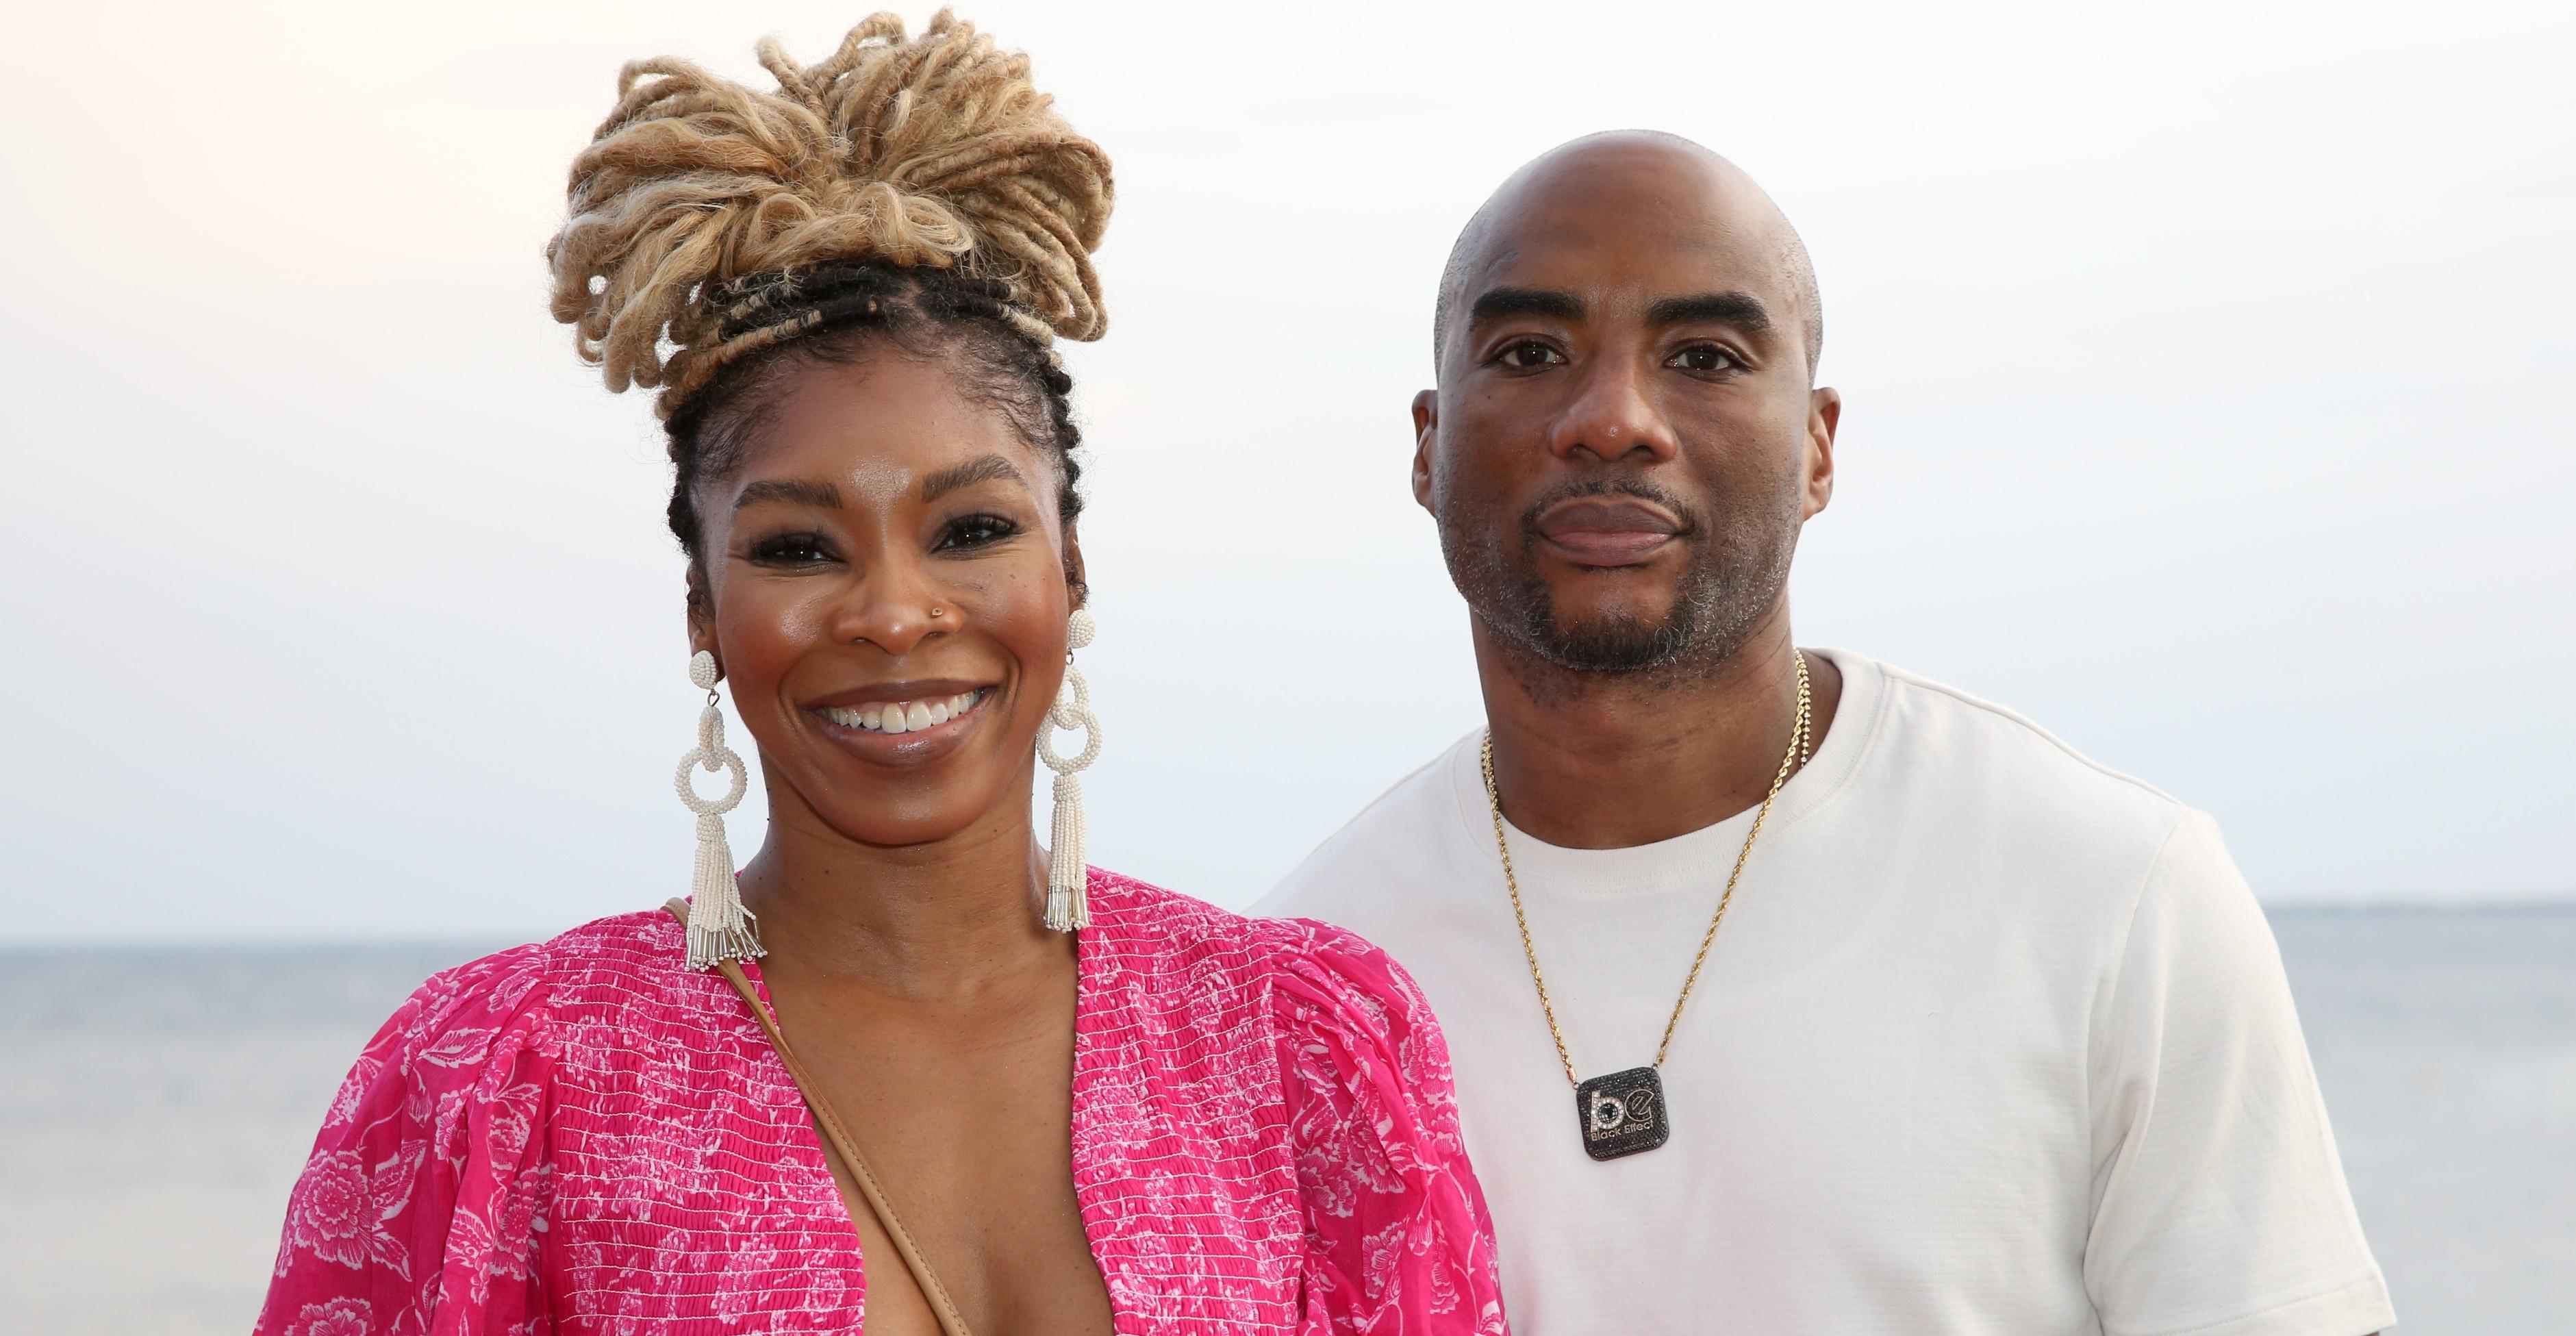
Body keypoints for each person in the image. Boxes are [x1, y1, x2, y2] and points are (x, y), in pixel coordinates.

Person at [257, 14, 1504, 1335]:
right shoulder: (498, 1082)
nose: (895, 615)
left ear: (1069, 574)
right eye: (799, 548)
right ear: (703, 609)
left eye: (971, 531)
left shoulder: (1301, 1043)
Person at [1259, 131, 2393, 1336]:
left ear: (1815, 446)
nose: (1612, 420)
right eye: (1530, 352)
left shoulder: (2109, 891)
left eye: (1703, 355)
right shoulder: (1308, 976)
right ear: (1429, 445)